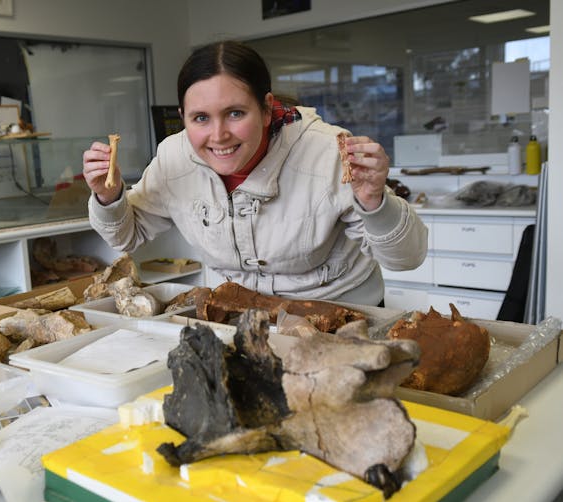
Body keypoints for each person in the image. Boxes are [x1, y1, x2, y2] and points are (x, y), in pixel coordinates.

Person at [82, 40, 427, 306]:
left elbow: (407, 258)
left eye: (235, 113)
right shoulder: (174, 156)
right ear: (183, 116)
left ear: (266, 109)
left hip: (338, 313)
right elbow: (125, 237)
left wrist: (375, 203)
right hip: (238, 314)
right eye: (200, 118)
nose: (218, 136)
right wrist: (108, 196)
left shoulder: (327, 153)